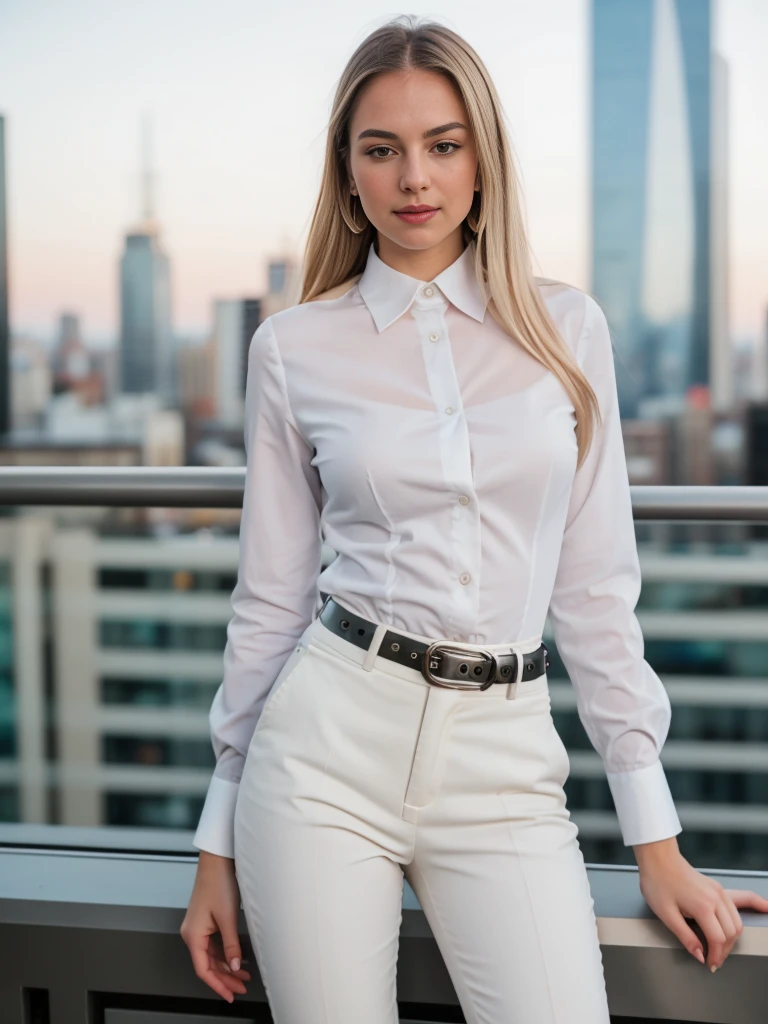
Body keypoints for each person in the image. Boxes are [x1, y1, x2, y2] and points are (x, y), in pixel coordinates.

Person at [180, 14, 768, 1020]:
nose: (416, 176)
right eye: (383, 149)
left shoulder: (566, 330)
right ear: (349, 172)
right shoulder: (291, 349)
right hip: (323, 753)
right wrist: (214, 844)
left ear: (482, 161)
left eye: (443, 145)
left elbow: (593, 592)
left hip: (507, 760)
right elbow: (270, 599)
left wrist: (655, 841)